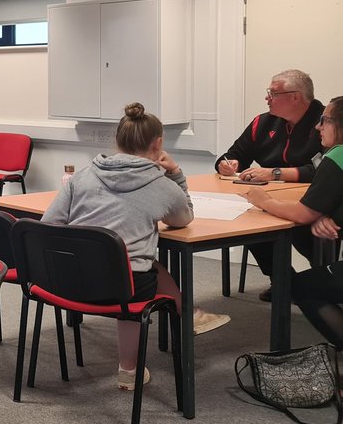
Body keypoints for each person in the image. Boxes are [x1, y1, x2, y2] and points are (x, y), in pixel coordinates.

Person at [44, 102, 229, 391]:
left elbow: (50, 224)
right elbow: (184, 218)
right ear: (158, 144)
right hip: (124, 289)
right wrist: (176, 173)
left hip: (69, 281)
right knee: (137, 268)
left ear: (117, 142)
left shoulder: (81, 177)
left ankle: (187, 312)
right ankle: (129, 369)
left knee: (137, 265)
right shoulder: (161, 184)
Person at [216, 69, 324, 300]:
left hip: (315, 201)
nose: (267, 98)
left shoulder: (325, 123)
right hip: (272, 200)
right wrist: (227, 164)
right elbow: (233, 154)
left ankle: (324, 282)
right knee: (251, 222)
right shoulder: (263, 122)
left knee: (308, 228)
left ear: (295, 97)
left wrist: (275, 173)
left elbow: (323, 169)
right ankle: (285, 281)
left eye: (273, 93)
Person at [245, 96, 343, 349]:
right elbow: (314, 209)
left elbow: (302, 214)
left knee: (299, 288)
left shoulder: (337, 156)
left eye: (326, 121)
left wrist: (263, 199)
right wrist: (325, 214)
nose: (319, 127)